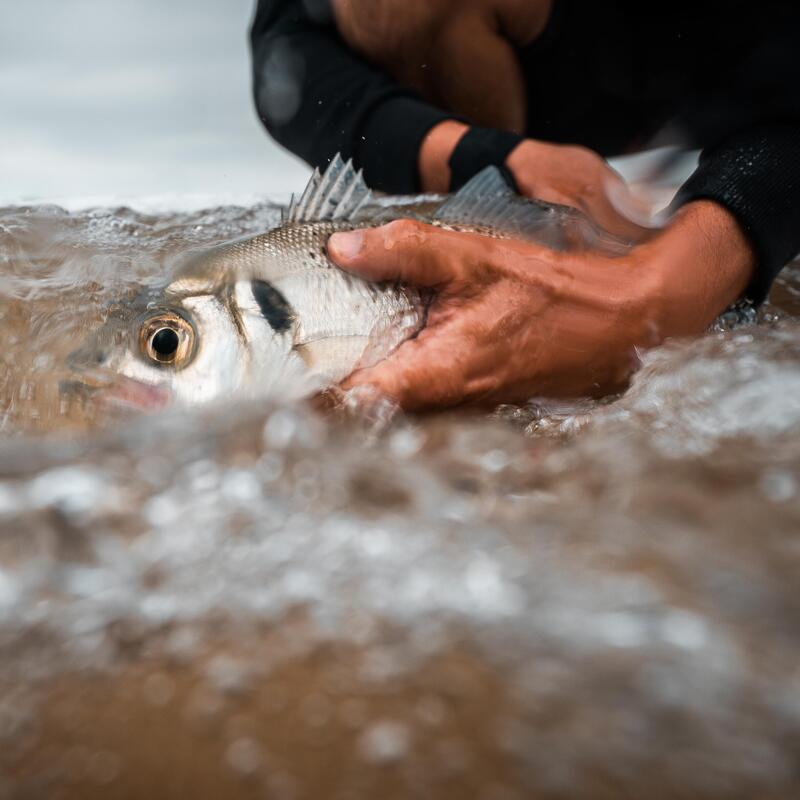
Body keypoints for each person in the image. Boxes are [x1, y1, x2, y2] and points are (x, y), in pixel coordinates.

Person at [250, 0, 800, 410]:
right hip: (545, 75)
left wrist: (658, 287)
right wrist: (490, 159)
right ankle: (479, 280)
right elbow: (286, 42)